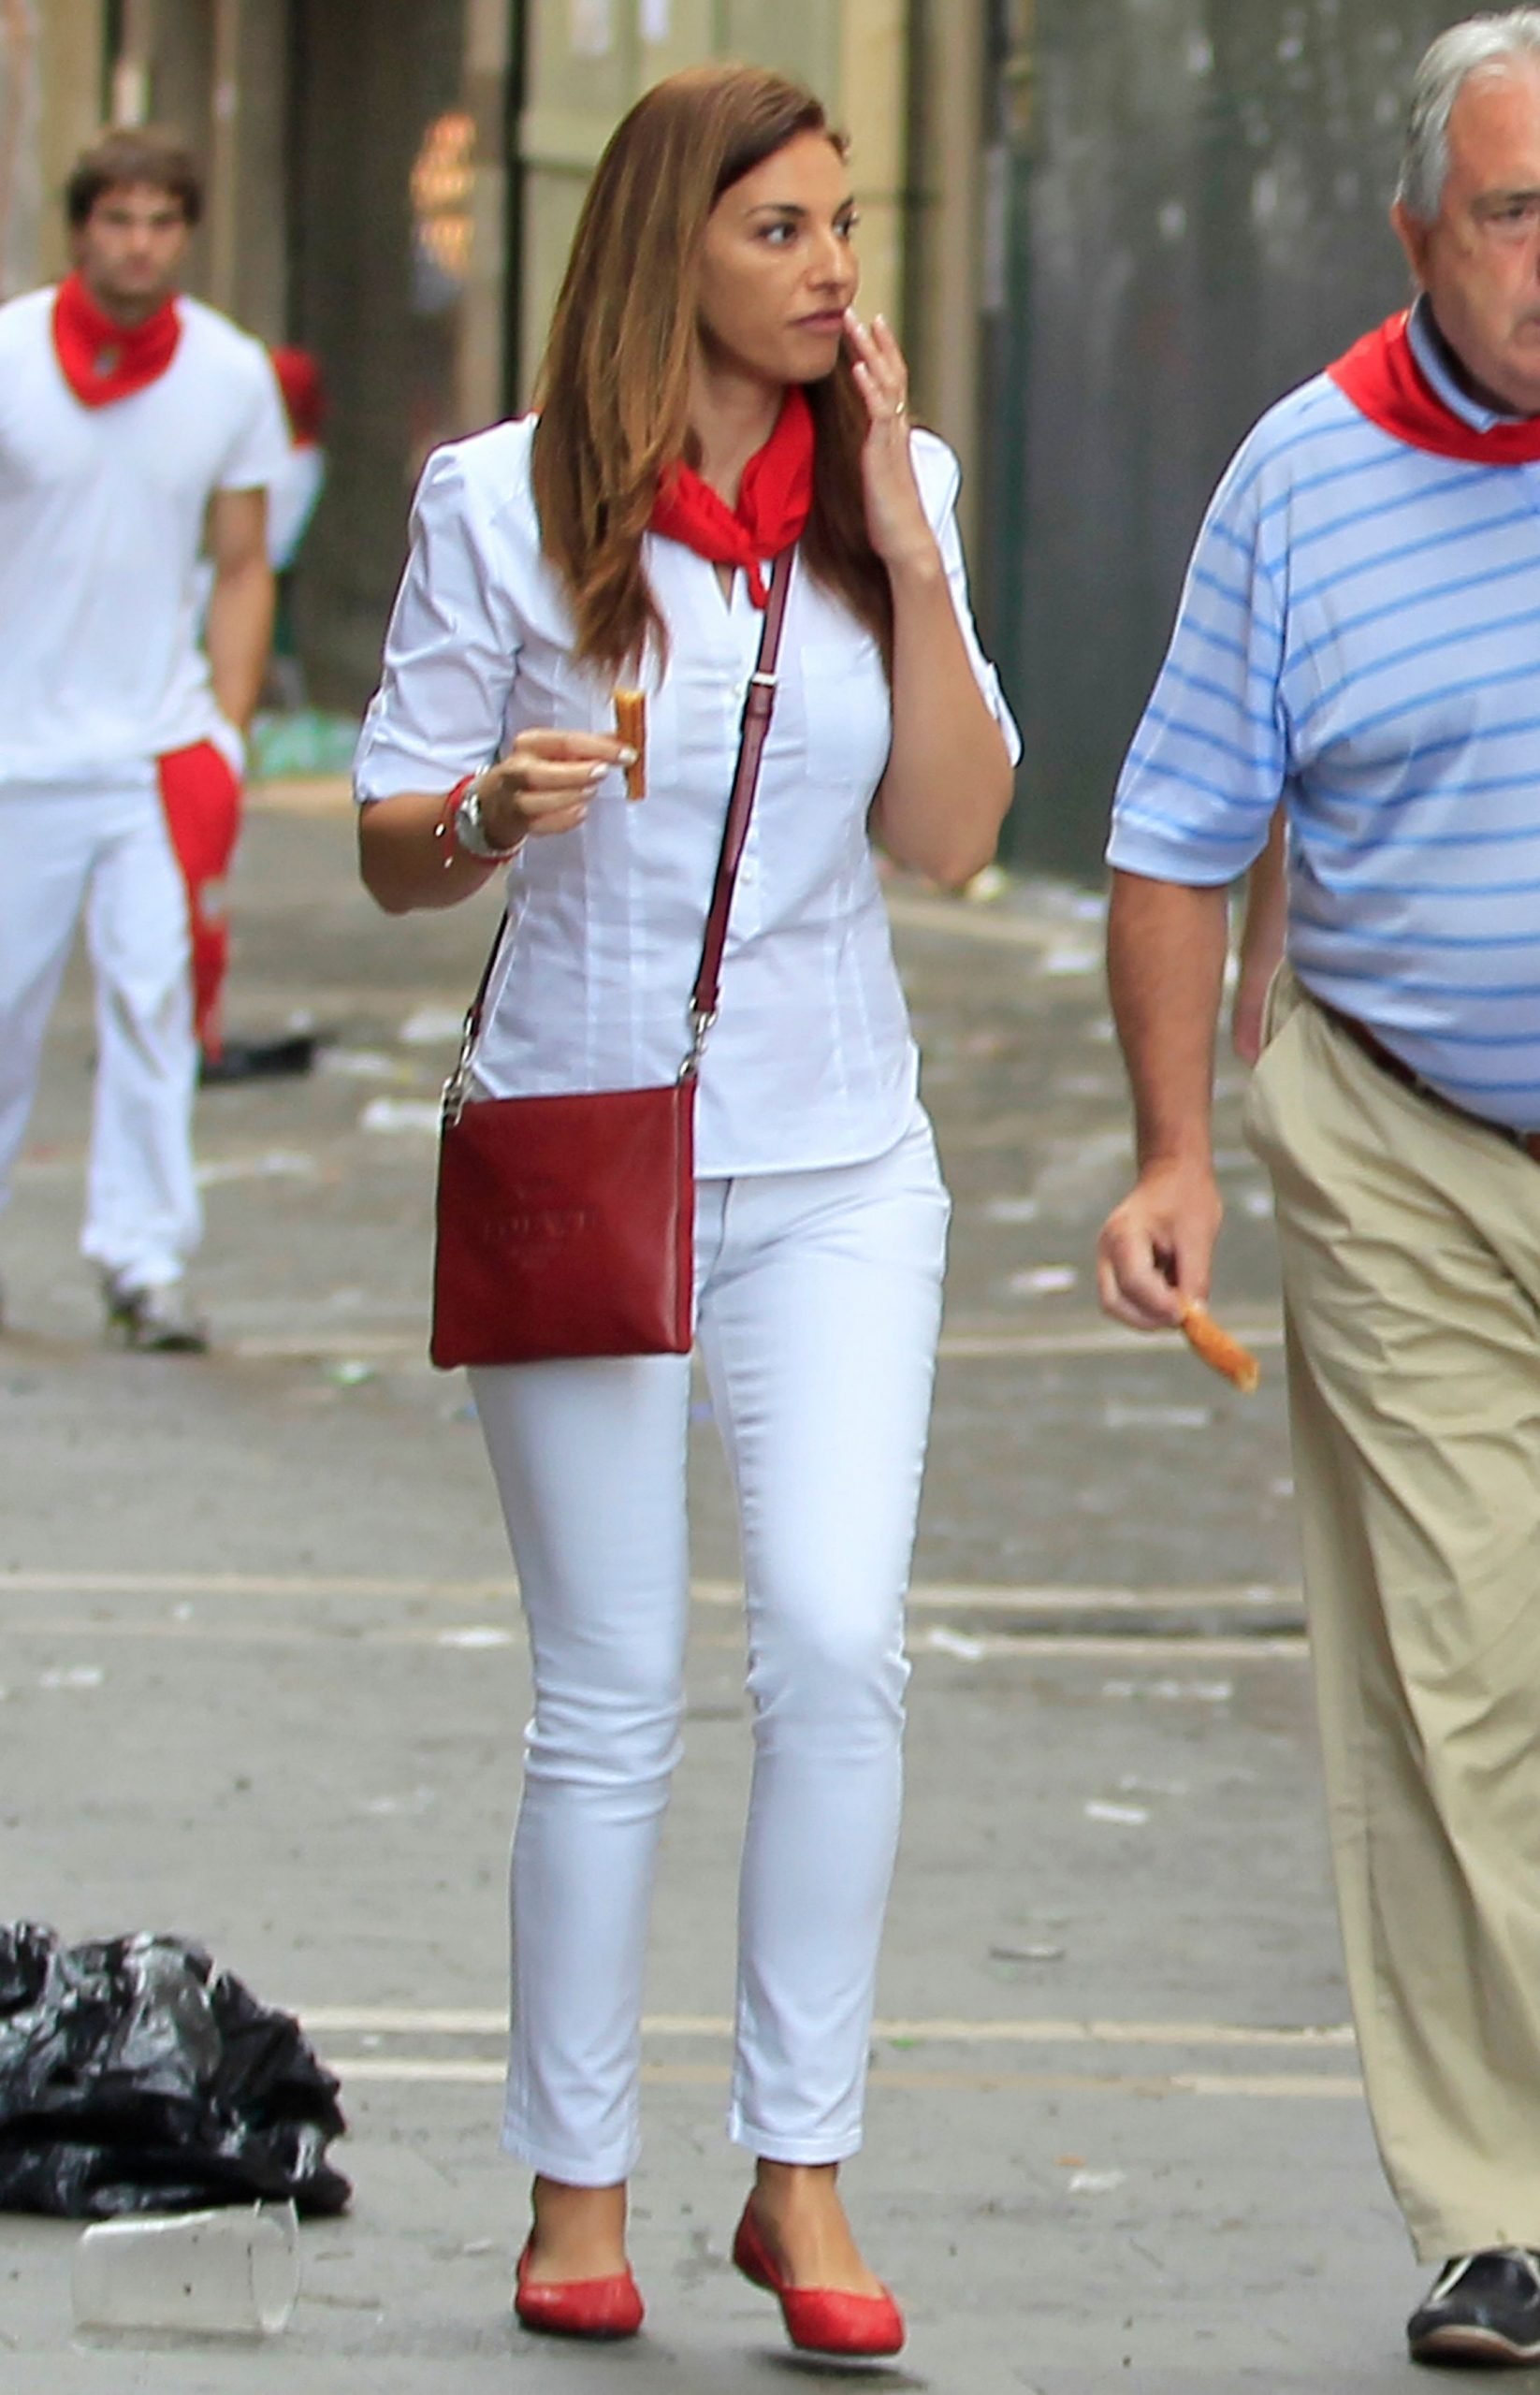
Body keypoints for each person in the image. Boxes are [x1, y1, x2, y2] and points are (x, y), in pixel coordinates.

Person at [355, 64, 1016, 2356]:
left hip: (839, 1156)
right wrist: (487, 809)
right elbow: (390, 838)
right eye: (780, 230)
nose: (833, 268)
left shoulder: (899, 488)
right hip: (585, 1137)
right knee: (610, 1688)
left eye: (844, 226)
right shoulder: (498, 501)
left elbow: (951, 837)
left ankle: (800, 2171)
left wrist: (905, 551)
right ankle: (576, 2183)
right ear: (671, 251)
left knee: (835, 1643)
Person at [1097, 10, 1540, 2367]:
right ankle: (1504, 2209)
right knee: (1473, 1666)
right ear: (1417, 234)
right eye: (1514, 212)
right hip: (1408, 1139)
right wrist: (1175, 1148)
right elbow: (1177, 839)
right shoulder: (1304, 478)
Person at [0, 126, 287, 1350]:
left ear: (188, 234)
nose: (138, 243)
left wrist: (225, 732)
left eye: (162, 221)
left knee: (156, 998)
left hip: (154, 753)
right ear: (80, 230)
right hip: (16, 754)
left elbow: (242, 562)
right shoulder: (12, 355)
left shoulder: (228, 375)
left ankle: (144, 1257)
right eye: (117, 219)